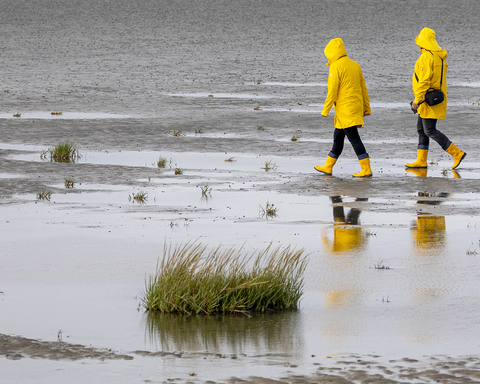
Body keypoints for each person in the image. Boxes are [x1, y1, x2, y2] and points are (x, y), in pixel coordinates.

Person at [406, 27, 466, 170]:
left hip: (426, 100)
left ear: (423, 42)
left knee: (429, 130)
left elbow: (424, 81)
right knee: (421, 129)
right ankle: (421, 160)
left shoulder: (427, 57)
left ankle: (457, 153)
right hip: (435, 97)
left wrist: (416, 100)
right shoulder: (438, 56)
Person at [314, 37, 372, 178]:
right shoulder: (355, 65)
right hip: (355, 106)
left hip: (346, 108)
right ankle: (328, 166)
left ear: (332, 53)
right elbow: (363, 88)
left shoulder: (336, 66)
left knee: (353, 137)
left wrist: (325, 109)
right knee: (338, 137)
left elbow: (332, 90)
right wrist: (366, 107)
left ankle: (366, 168)